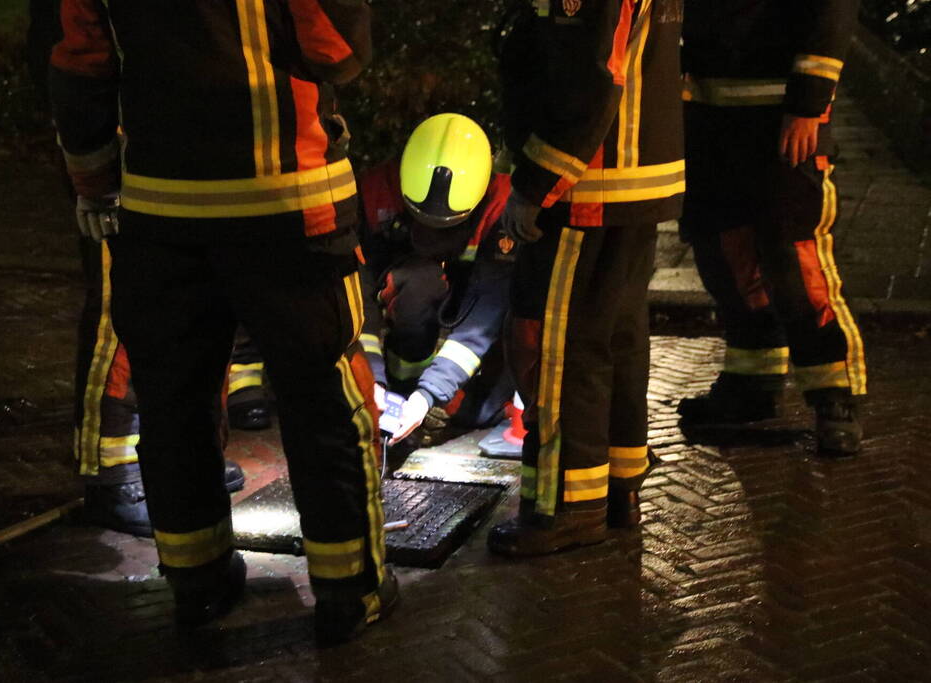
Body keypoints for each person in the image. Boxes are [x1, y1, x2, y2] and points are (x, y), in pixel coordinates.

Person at [49, 0, 394, 643]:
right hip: (288, 205)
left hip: (159, 212)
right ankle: (351, 589)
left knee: (175, 403)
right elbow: (340, 51)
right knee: (324, 402)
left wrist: (93, 179)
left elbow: (81, 60)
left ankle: (197, 584)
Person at [26, 0, 249, 539]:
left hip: (181, 147)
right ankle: (113, 474)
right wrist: (96, 163)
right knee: (118, 309)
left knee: (196, 309)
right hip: (128, 148)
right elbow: (73, 57)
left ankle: (190, 458)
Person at [488, 0, 684, 556]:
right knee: (615, 340)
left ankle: (565, 510)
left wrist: (538, 180)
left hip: (588, 184)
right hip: (632, 178)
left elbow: (589, 75)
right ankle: (615, 489)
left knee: (560, 349)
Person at [679, 0, 866, 455]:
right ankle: (751, 385)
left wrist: (807, 102)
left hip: (781, 117)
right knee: (725, 257)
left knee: (795, 260)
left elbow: (830, 12)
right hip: (707, 118)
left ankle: (835, 399)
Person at [355, 114, 518, 450]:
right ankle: (403, 383)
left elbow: (485, 318)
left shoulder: (503, 208)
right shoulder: (373, 194)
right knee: (419, 285)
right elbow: (360, 297)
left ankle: (434, 392)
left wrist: (431, 393)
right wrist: (371, 379)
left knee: (478, 411)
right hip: (415, 286)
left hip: (473, 293)